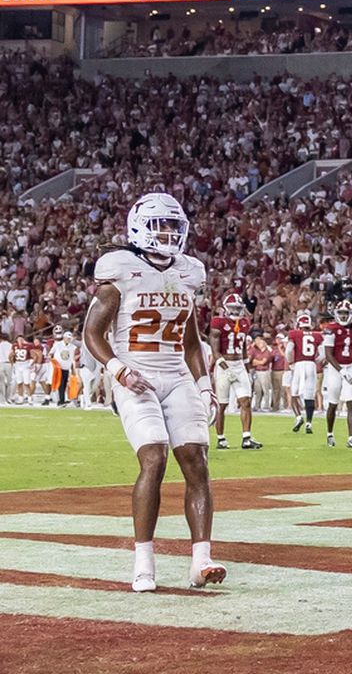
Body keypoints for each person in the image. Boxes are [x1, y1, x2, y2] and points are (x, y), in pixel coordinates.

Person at [82, 192, 225, 591]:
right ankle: (143, 561)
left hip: (176, 374)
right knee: (155, 457)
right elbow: (92, 333)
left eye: (174, 227)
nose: (168, 234)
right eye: (160, 225)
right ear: (139, 228)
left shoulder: (188, 272)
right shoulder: (120, 270)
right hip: (135, 373)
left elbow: (191, 340)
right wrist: (118, 369)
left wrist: (204, 385)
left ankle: (202, 561)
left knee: (196, 459)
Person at [209, 293, 262, 450]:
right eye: (232, 308)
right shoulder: (218, 322)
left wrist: (246, 369)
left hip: (238, 364)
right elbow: (215, 350)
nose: (235, 311)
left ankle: (246, 438)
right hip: (223, 364)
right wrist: (225, 368)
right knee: (222, 405)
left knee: (245, 402)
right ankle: (220, 438)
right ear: (226, 308)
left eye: (238, 308)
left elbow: (244, 348)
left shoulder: (245, 323)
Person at [322, 299, 352, 448]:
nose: (343, 316)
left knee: (351, 403)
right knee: (333, 403)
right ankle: (330, 433)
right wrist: (341, 371)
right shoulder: (331, 328)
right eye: (341, 313)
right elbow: (328, 355)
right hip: (335, 368)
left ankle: (351, 437)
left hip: (350, 367)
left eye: (345, 313)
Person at [286, 311, 323, 434]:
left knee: (294, 393)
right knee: (309, 395)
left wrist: (291, 362)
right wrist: (315, 360)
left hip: (299, 364)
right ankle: (309, 423)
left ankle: (298, 417)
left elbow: (289, 350)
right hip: (311, 365)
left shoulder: (294, 333)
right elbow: (323, 355)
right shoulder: (317, 335)